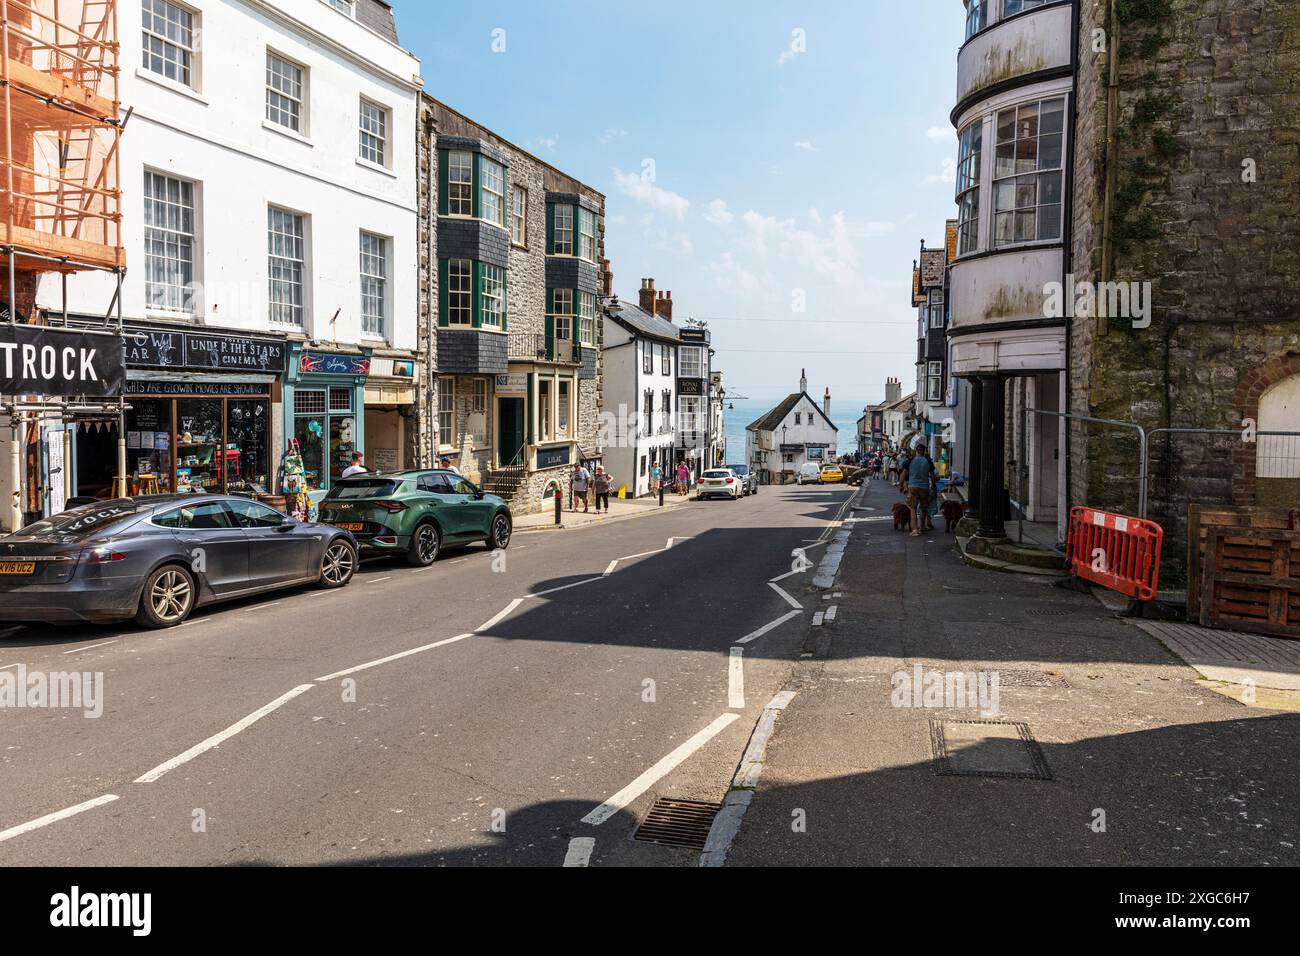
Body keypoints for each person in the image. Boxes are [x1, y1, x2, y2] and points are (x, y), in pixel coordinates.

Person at [906, 443, 938, 537]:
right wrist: (934, 486)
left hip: (913, 486)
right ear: (924, 451)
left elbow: (904, 471)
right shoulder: (928, 461)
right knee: (923, 508)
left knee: (913, 508)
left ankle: (915, 529)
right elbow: (932, 475)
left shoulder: (911, 459)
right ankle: (922, 527)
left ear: (916, 450)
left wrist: (902, 484)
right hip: (924, 487)